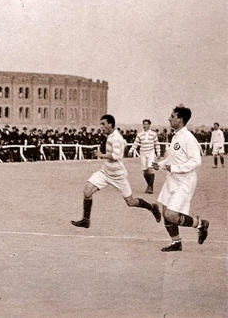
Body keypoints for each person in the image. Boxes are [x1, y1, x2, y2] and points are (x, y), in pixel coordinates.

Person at [72, 114, 161, 229]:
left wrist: (101, 155)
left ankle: (152, 207)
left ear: (110, 124)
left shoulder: (116, 138)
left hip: (118, 175)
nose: (101, 127)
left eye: (103, 124)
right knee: (87, 191)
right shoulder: (110, 136)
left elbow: (117, 155)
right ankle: (86, 220)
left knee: (131, 202)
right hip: (105, 172)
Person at [152, 105, 209, 252]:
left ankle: (200, 224)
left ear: (180, 119)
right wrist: (161, 164)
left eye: (172, 116)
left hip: (185, 180)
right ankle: (176, 242)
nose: (169, 118)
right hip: (172, 179)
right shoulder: (176, 136)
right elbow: (173, 159)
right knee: (165, 210)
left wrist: (175, 168)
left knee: (171, 214)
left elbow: (196, 161)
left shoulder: (188, 138)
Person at [129, 119, 161, 193]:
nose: (145, 125)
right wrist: (131, 150)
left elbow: (157, 144)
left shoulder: (153, 134)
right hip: (143, 152)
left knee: (150, 169)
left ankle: (150, 188)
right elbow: (135, 143)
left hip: (151, 152)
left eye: (146, 124)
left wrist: (158, 153)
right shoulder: (140, 134)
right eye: (144, 124)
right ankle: (149, 185)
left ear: (149, 125)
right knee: (145, 171)